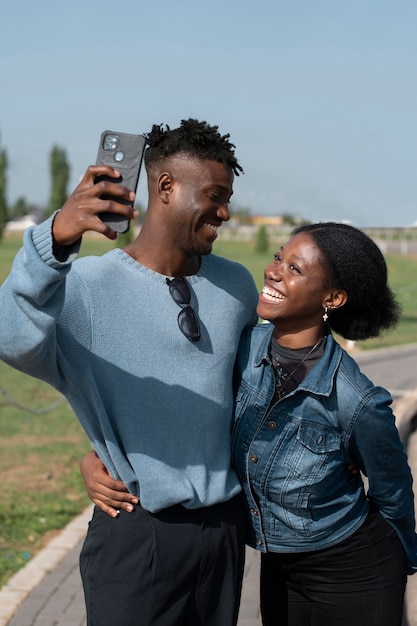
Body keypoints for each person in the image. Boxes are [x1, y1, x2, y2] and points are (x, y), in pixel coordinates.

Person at [83, 222, 417, 625]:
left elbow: (393, 490)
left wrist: (397, 568)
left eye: (295, 268)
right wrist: (100, 455)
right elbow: (174, 411)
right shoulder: (237, 351)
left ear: (333, 297)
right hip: (279, 566)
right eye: (279, 256)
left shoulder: (354, 398)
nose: (274, 270)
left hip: (354, 570)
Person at [0, 119, 259, 626]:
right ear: (165, 187)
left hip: (224, 533)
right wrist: (52, 240)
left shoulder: (236, 285)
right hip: (138, 536)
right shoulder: (86, 289)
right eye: (214, 195)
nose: (225, 213)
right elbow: (11, 338)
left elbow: (247, 392)